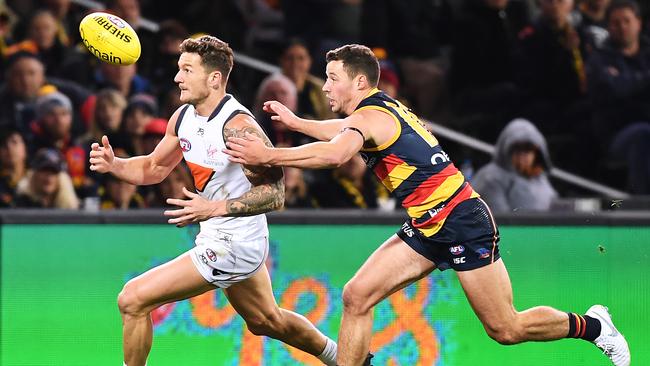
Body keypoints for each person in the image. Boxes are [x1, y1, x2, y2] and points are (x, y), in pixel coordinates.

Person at [224, 44, 631, 366]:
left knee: (505, 328)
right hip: (428, 223)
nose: (325, 86)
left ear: (360, 82)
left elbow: (334, 154)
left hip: (461, 220)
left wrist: (269, 155)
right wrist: (297, 123)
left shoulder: (370, 118)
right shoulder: (377, 110)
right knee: (356, 296)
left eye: (332, 79)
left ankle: (594, 326)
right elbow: (343, 132)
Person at [88, 36, 341, 366]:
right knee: (267, 321)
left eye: (187, 70)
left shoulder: (237, 127)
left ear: (214, 79)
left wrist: (214, 209)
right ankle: (346, 358)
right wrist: (115, 165)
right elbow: (153, 167)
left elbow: (275, 193)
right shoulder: (183, 117)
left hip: (236, 243)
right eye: (179, 69)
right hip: (219, 235)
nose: (177, 78)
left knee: (132, 299)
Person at [471, 118, 558, 212]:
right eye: (517, 148)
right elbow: (500, 220)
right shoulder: (491, 178)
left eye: (528, 148)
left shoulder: (540, 179)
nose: (523, 154)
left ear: (537, 152)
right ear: (506, 150)